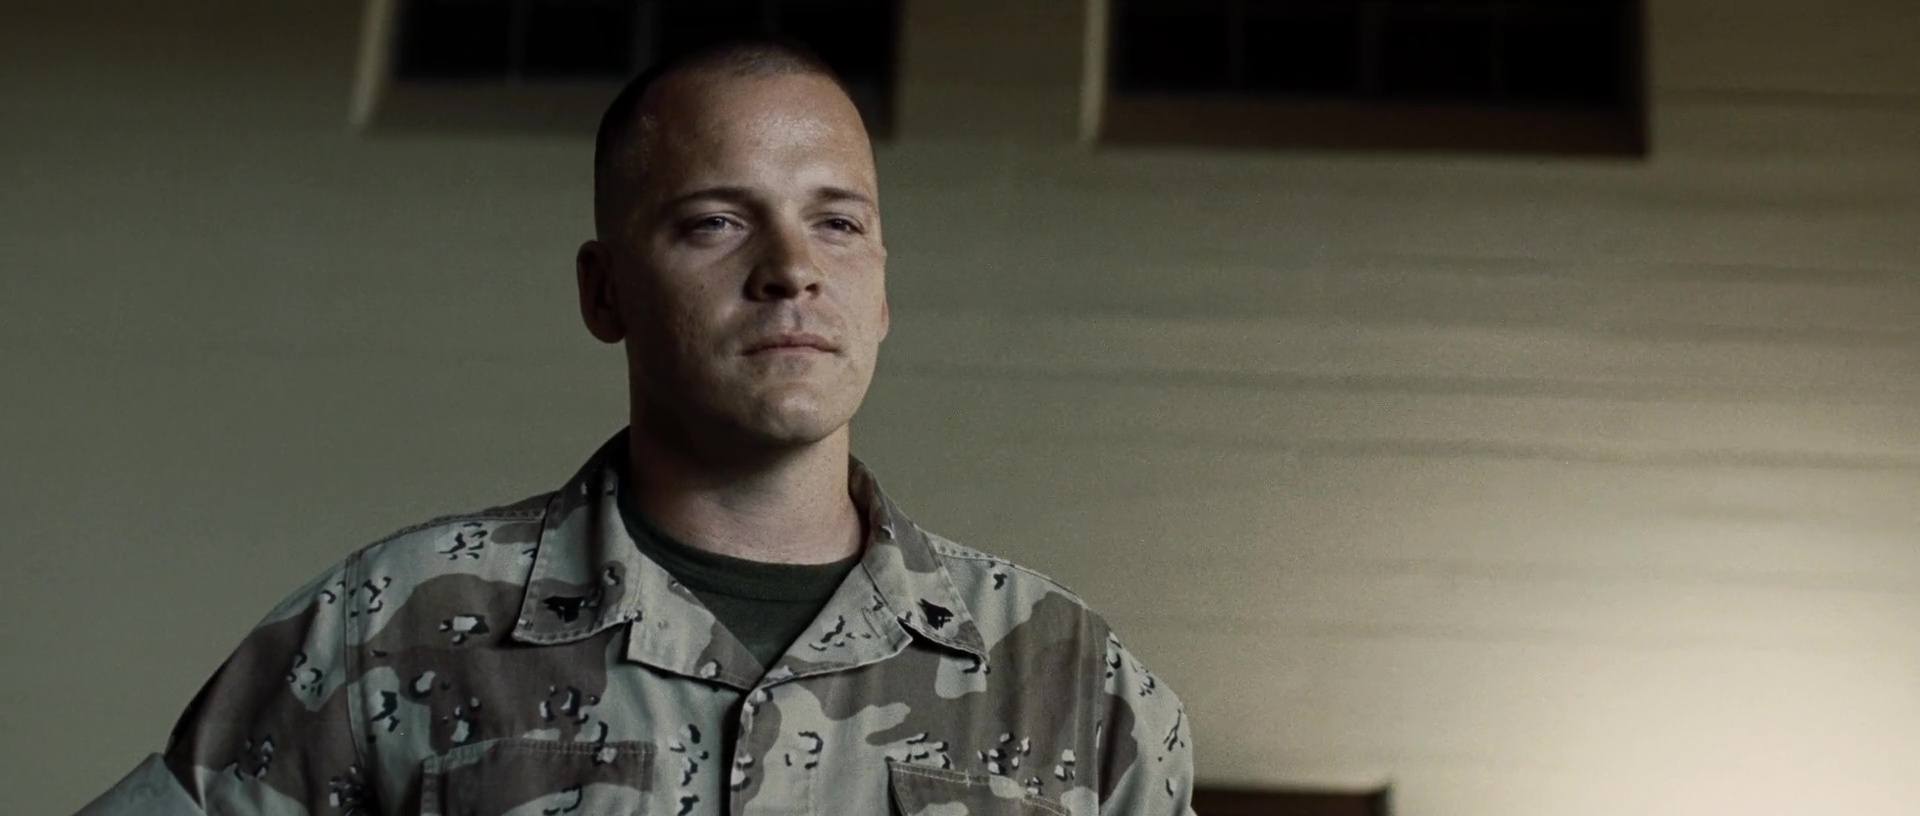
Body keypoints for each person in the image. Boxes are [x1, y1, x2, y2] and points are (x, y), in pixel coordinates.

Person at [79, 37, 1195, 816]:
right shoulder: (390, 629)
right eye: (715, 222)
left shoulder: (1071, 682)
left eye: (838, 223)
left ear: (884, 292)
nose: (793, 270)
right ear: (604, 290)